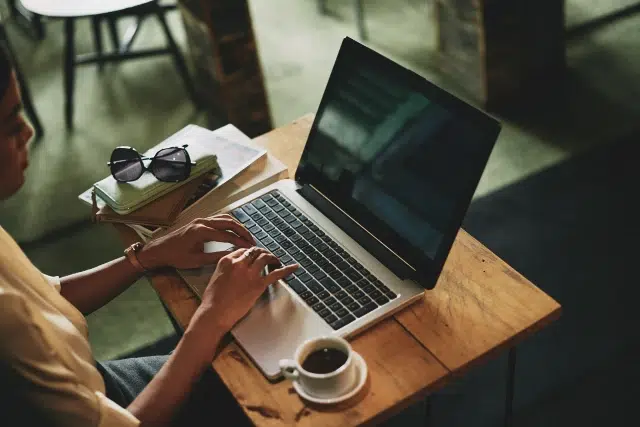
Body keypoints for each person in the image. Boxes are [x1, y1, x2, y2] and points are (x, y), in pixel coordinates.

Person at [0, 46, 298, 427]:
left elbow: (47, 297)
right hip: (110, 407)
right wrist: (210, 316)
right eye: (10, 125)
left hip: (89, 385)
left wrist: (147, 255)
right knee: (276, 391)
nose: (28, 132)